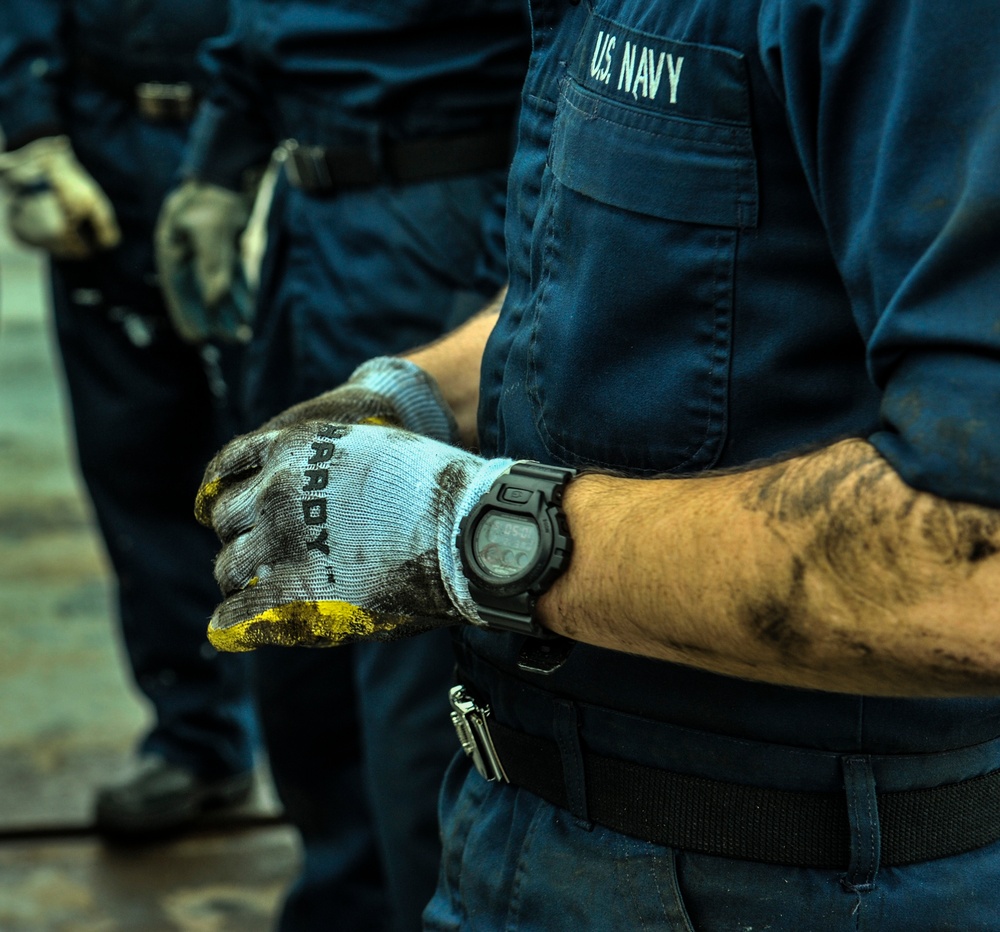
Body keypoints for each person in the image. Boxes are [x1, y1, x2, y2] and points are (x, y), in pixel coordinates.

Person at [194, 0, 1000, 929]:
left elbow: (971, 562)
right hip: (533, 823)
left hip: (788, 876)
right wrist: (416, 392)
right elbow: (624, 267)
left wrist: (479, 533)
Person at [154, 2, 530, 929]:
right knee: (282, 619)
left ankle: (420, 904)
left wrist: (508, 280)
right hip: (308, 226)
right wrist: (217, 166)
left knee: (413, 684)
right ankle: (340, 900)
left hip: (450, 210)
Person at [0, 1, 258, 838]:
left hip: (269, 139)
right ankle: (198, 743)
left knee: (316, 464)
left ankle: (362, 780)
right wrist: (27, 134)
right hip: (106, 138)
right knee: (139, 459)